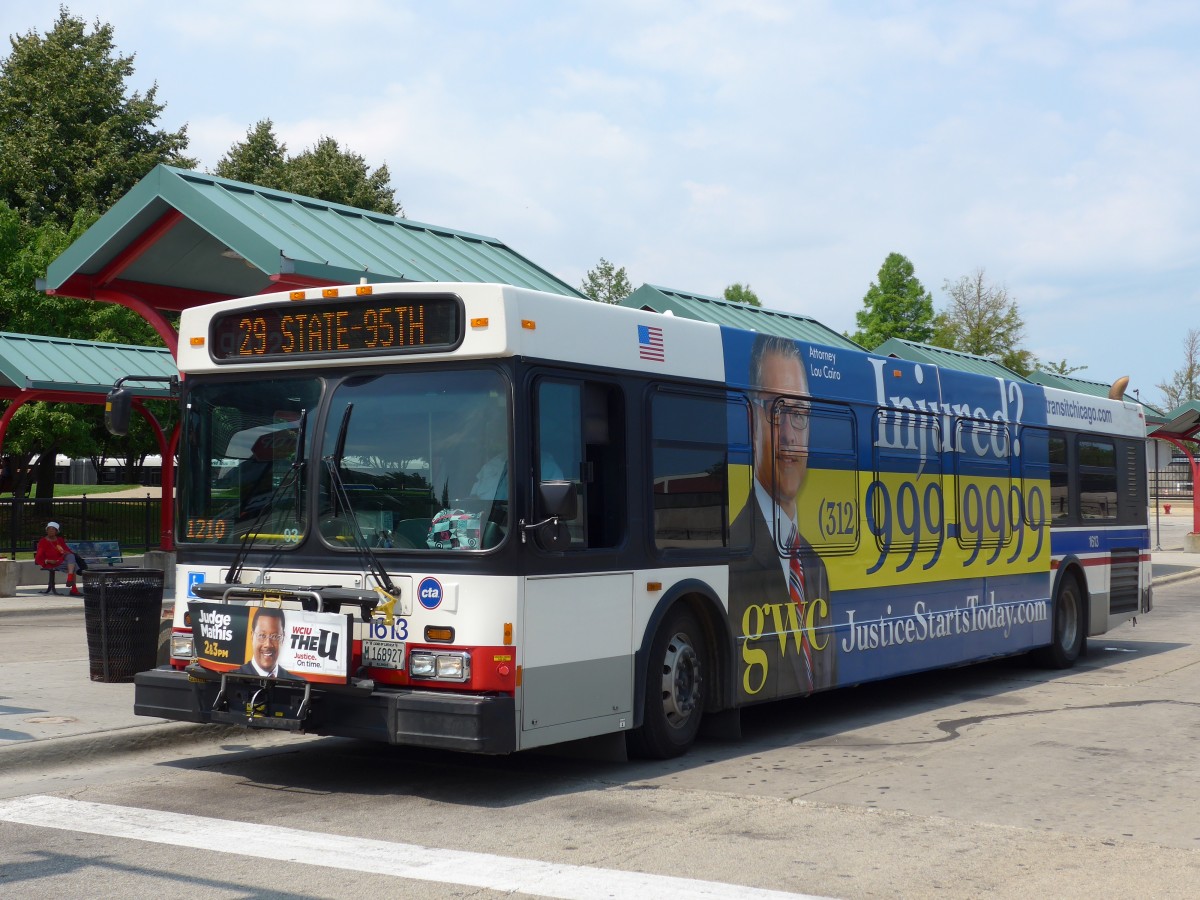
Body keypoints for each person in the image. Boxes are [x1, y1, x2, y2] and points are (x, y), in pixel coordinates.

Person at [729, 335, 835, 699]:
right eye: (777, 412)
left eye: (800, 414)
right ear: (751, 419)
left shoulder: (816, 566)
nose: (791, 435)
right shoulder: (732, 558)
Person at [234, 607, 297, 680]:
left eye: (275, 636)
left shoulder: (297, 683)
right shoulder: (233, 678)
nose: (268, 644)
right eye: (262, 635)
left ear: (283, 638)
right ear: (252, 636)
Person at [35, 521, 80, 596]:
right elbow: (38, 556)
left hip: (61, 560)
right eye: (49, 529)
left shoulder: (60, 540)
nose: (51, 531)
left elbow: (66, 550)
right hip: (51, 562)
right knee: (73, 565)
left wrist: (65, 552)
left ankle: (70, 578)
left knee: (71, 556)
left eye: (53, 529)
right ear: (47, 531)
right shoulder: (43, 541)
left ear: (56, 531)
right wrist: (47, 561)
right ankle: (73, 589)